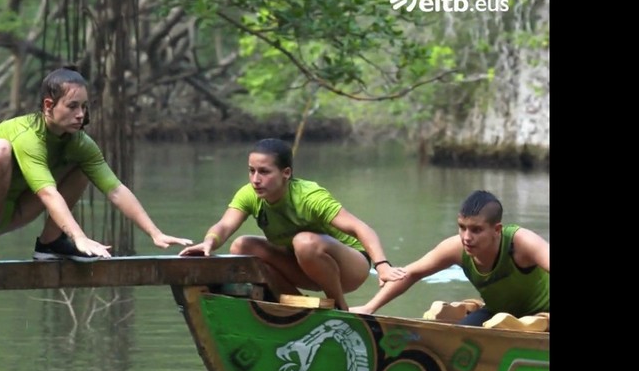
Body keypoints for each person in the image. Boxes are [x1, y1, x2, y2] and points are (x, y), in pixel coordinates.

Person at [0, 66, 192, 265]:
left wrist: (155, 232)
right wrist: (79, 237)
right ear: (48, 106)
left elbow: (115, 189)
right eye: (72, 106)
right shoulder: (29, 135)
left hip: (12, 213)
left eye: (84, 107)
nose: (80, 114)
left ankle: (50, 243)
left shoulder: (80, 143)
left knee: (80, 165)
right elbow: (48, 194)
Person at [178, 138, 406, 311]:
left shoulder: (308, 196)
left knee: (304, 241)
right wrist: (208, 243)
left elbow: (361, 228)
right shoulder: (249, 194)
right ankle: (297, 306)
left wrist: (382, 266)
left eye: (264, 172)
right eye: (251, 171)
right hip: (303, 265)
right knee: (242, 245)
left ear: (286, 173)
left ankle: (338, 308)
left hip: (350, 268)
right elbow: (225, 226)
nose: (256, 179)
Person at [349, 190, 550, 326]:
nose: (467, 237)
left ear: (497, 230)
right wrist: (369, 307)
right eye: (462, 227)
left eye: (476, 230)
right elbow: (410, 274)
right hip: (498, 314)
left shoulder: (521, 242)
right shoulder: (456, 247)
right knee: (458, 337)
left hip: (544, 314)